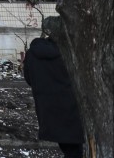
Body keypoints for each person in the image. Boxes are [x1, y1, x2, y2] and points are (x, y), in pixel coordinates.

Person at [23, 16, 84, 158]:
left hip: (48, 108)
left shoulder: (32, 53)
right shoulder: (70, 53)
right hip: (72, 108)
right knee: (75, 150)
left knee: (69, 148)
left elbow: (29, 79)